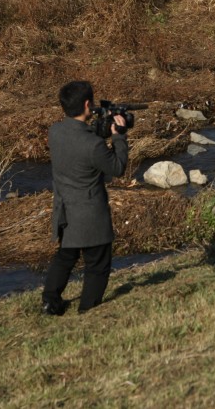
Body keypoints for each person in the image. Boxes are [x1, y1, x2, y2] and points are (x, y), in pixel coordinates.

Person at [41, 80, 128, 316]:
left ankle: (50, 301)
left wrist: (100, 128)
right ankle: (87, 309)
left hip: (65, 211)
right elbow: (117, 168)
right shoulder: (93, 145)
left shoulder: (55, 132)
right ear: (88, 104)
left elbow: (78, 140)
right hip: (90, 215)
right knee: (97, 265)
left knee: (65, 257)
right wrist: (118, 136)